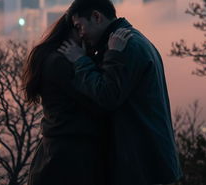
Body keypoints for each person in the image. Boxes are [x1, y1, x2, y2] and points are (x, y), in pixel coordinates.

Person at [59, 0, 182, 185]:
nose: (80, 35)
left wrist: (80, 61)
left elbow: (107, 96)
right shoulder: (129, 39)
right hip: (147, 158)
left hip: (140, 162)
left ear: (96, 16)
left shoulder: (125, 46)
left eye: (79, 26)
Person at [22, 12, 130, 185]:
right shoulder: (60, 63)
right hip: (70, 162)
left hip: (57, 156)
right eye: (78, 29)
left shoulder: (54, 59)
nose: (83, 34)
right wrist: (113, 56)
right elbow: (100, 101)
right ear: (66, 32)